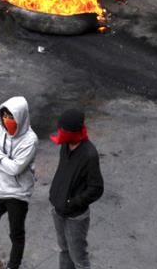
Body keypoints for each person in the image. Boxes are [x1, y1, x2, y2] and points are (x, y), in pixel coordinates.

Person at [0, 97, 38, 269]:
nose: (7, 120)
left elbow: (15, 169)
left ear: (20, 117)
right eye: (4, 116)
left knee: (16, 233)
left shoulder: (30, 141)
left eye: (11, 117)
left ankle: (13, 265)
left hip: (18, 194)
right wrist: (3, 161)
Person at [49, 109, 103, 269]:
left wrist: (72, 202)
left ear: (73, 132)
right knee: (64, 251)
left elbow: (97, 188)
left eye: (63, 130)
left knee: (79, 259)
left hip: (75, 217)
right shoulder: (65, 146)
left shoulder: (89, 155)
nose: (60, 133)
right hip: (58, 209)